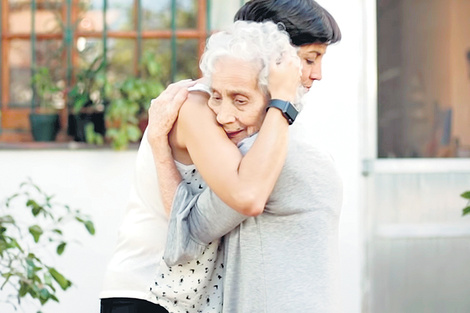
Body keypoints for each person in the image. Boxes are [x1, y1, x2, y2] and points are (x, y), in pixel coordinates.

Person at [99, 0, 341, 312]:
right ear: (274, 56)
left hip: (185, 296)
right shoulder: (198, 108)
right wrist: (159, 143)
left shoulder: (260, 123)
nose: (316, 73)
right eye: (309, 58)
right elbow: (244, 196)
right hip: (149, 293)